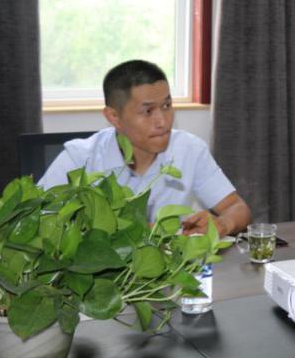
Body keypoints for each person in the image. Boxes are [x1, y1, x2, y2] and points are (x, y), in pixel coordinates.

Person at [39, 60, 251, 236]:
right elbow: (38, 220)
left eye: (166, 106)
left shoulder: (189, 149)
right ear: (114, 116)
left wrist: (223, 224)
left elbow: (237, 208)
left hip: (174, 270)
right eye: (148, 111)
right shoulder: (80, 159)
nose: (162, 121)